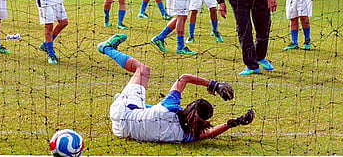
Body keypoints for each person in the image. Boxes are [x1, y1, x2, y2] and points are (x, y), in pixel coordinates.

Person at [97, 33, 254, 142]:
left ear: (189, 106)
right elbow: (209, 133)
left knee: (143, 70)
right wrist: (234, 122)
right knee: (148, 112)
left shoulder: (169, 108)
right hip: (120, 131)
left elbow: (183, 78)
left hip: (122, 111)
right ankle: (125, 99)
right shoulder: (185, 135)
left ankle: (106, 48)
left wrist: (213, 85)